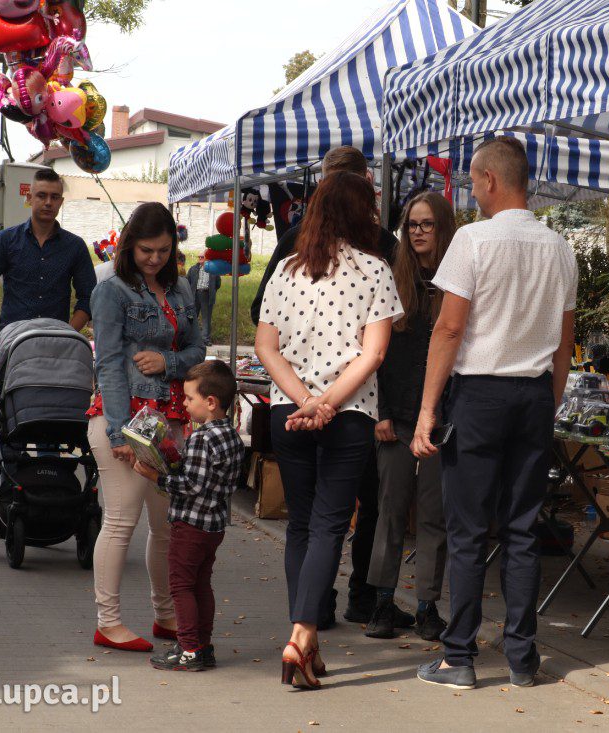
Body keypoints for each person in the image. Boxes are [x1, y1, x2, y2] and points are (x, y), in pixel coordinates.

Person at [411, 137, 577, 690]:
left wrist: (427, 410)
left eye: (473, 181)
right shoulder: (560, 247)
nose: (471, 191)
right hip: (531, 395)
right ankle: (522, 660)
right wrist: (547, 403)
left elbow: (450, 328)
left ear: (489, 180)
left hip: (479, 394)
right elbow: (563, 341)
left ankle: (458, 657)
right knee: (523, 531)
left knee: (467, 531)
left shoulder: (472, 240)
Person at [255, 171, 404, 689]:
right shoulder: (376, 270)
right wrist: (328, 404)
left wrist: (304, 402)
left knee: (299, 526)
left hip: (287, 411)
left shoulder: (287, 270)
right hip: (350, 415)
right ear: (361, 212)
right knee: (328, 527)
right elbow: (375, 353)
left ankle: (306, 642)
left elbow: (265, 348)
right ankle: (301, 635)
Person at [87, 202, 207, 653]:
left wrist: (168, 361)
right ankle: (109, 622)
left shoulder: (182, 291)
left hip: (170, 418)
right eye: (145, 251)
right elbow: (109, 365)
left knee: (166, 525)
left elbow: (199, 348)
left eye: (162, 250)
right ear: (128, 246)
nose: (155, 259)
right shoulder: (112, 291)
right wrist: (120, 435)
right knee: (120, 521)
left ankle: (165, 615)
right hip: (124, 416)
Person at [364, 193, 454, 642]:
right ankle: (382, 603)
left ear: (443, 228)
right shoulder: (389, 279)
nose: (418, 231)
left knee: (435, 516)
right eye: (412, 224)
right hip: (395, 416)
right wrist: (379, 412)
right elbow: (374, 353)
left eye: (428, 224)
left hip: (440, 418)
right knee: (390, 511)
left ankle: (427, 606)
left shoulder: (457, 280)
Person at [133, 360, 241, 672]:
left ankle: (189, 648)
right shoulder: (230, 435)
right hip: (214, 524)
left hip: (190, 524)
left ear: (211, 402)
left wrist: (155, 475)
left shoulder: (202, 438)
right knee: (201, 583)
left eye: (189, 398)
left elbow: (191, 484)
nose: (184, 403)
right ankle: (202, 645)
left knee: (180, 586)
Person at [0, 168, 96, 356]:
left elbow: (88, 298)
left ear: (61, 202)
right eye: (41, 196)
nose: (48, 202)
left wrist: (68, 333)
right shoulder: (5, 240)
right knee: (10, 387)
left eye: (54, 197)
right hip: (12, 342)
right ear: (29, 198)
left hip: (56, 346)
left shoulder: (75, 246)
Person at [187, 253, 221, 346]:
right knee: (192, 316)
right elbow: (187, 281)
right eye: (199, 257)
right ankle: (191, 339)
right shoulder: (193, 269)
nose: (200, 258)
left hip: (207, 294)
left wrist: (211, 291)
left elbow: (217, 284)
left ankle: (205, 339)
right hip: (195, 294)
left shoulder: (213, 270)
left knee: (206, 318)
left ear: (207, 259)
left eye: (202, 257)